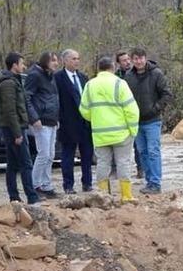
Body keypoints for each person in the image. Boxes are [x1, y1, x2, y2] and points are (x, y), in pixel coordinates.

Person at [79, 56, 139, 203]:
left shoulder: (90, 85)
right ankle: (126, 196)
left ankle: (103, 196)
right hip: (121, 133)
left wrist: (97, 119)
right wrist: (133, 130)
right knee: (123, 163)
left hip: (100, 134)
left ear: (98, 68)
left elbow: (84, 110)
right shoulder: (120, 83)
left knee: (102, 163)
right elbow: (132, 109)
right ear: (113, 67)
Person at [124, 47, 172, 194]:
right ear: (132, 60)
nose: (138, 61)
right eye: (135, 59)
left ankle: (156, 183)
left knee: (153, 151)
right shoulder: (128, 77)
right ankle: (149, 181)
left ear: (145, 58)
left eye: (141, 58)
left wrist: (155, 108)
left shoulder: (156, 73)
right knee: (142, 152)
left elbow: (167, 94)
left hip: (152, 120)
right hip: (136, 122)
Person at [0, 52, 40, 205]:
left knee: (13, 163)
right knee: (26, 163)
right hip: (14, 128)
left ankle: (14, 197)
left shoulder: (13, 80)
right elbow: (10, 110)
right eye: (21, 63)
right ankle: (32, 197)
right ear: (14, 65)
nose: (24, 66)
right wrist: (17, 133)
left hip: (14, 127)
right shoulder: (8, 84)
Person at [55, 49, 93, 194]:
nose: (76, 61)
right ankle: (68, 185)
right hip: (67, 123)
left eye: (78, 58)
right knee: (68, 156)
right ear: (65, 61)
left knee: (87, 155)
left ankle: (87, 183)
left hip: (85, 122)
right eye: (73, 59)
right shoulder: (58, 78)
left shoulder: (83, 77)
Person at [25, 51, 61, 198]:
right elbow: (26, 98)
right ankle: (35, 185)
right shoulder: (35, 75)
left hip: (51, 120)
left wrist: (56, 118)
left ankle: (46, 185)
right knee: (44, 154)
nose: (56, 63)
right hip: (41, 121)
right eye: (53, 60)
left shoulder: (50, 76)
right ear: (46, 61)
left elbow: (53, 98)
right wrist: (34, 118)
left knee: (50, 155)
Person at [115, 50, 142, 178]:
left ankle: (141, 169)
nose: (127, 62)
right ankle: (118, 171)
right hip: (120, 115)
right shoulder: (116, 77)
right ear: (118, 63)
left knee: (138, 144)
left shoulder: (136, 73)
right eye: (124, 60)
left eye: (128, 59)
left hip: (135, 112)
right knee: (120, 145)